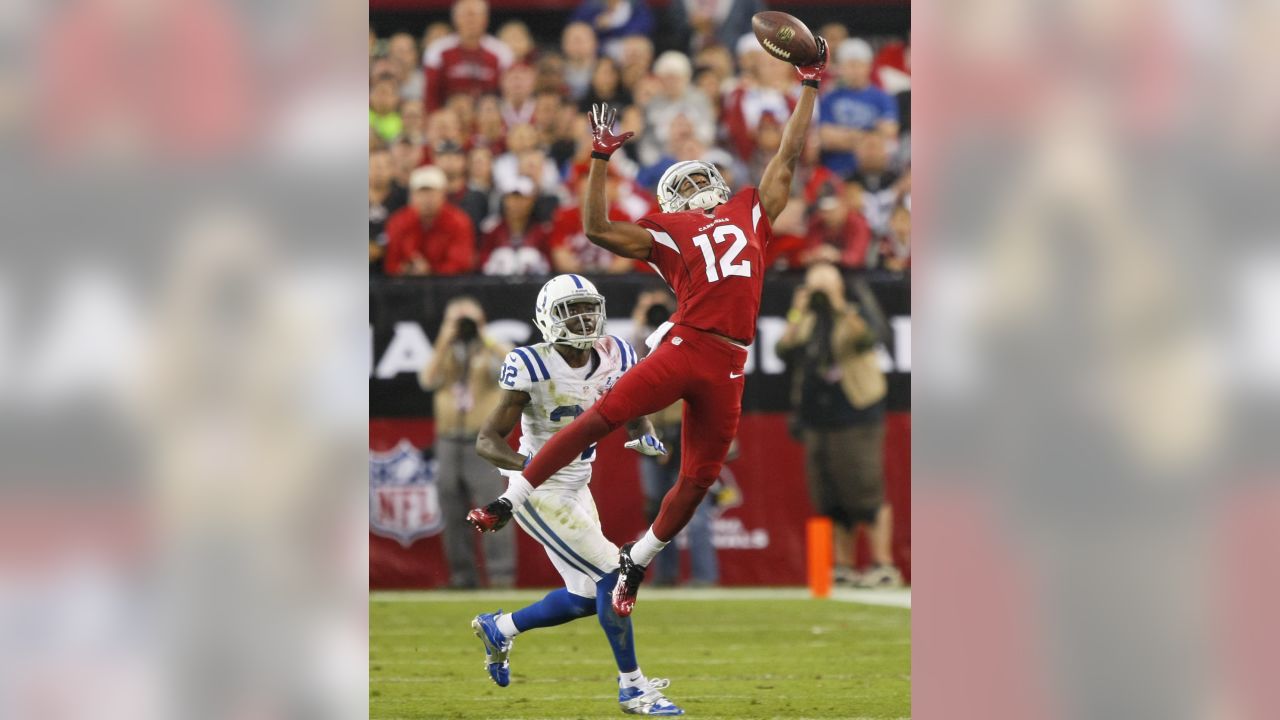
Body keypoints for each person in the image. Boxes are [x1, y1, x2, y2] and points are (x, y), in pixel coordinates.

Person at [467, 37, 832, 616]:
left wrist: (810, 84)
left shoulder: (747, 208)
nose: (690, 190)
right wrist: (601, 158)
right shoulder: (687, 224)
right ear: (671, 200)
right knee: (600, 419)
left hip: (727, 361)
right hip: (687, 344)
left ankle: (634, 563)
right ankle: (509, 503)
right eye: (680, 186)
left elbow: (788, 152)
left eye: (694, 181)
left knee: (696, 480)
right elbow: (596, 229)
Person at [469, 274, 683, 716]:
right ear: (548, 318)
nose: (584, 318)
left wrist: (642, 432)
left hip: (578, 483)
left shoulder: (616, 353)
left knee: (587, 597)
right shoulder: (531, 363)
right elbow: (487, 440)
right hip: (538, 491)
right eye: (571, 310)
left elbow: (630, 403)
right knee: (614, 575)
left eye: (589, 307)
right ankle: (634, 688)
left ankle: (501, 627)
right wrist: (529, 471)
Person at [776, 263, 901, 588]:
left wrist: (839, 304)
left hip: (857, 414)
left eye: (824, 286)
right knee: (830, 494)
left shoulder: (854, 313)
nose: (818, 292)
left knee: (865, 488)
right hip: (818, 418)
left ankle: (883, 564)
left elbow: (866, 339)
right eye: (813, 285)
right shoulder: (806, 319)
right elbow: (783, 349)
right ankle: (844, 565)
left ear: (839, 286)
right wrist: (797, 311)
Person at [420, 297, 515, 588]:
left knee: (493, 508)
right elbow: (427, 380)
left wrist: (484, 337)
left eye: (468, 320)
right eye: (457, 320)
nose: (463, 326)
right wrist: (445, 339)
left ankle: (501, 576)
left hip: (482, 442)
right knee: (451, 508)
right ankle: (462, 576)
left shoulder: (489, 350)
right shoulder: (444, 354)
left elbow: (514, 364)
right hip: (448, 440)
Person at [630, 289, 718, 587]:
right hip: (653, 431)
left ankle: (704, 576)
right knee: (655, 508)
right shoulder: (640, 345)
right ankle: (664, 575)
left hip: (685, 429)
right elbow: (628, 368)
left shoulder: (687, 339)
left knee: (697, 508)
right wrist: (640, 325)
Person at [817, 39, 900, 178]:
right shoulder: (830, 98)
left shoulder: (882, 97)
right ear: (841, 68)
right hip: (836, 170)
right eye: (850, 65)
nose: (855, 70)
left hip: (872, 169)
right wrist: (868, 138)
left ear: (868, 67)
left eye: (859, 65)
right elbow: (826, 138)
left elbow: (890, 132)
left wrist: (845, 137)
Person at [422, 0, 513, 112]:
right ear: (455, 19)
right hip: (450, 117)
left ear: (485, 19)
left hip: (489, 118)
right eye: (465, 15)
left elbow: (509, 94)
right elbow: (431, 94)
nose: (470, 20)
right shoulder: (438, 50)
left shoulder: (501, 51)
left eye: (475, 15)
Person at [383, 166, 476, 276]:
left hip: (448, 287)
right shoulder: (398, 222)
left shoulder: (459, 221)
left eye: (432, 193)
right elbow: (391, 263)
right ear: (412, 196)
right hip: (405, 286)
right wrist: (405, 269)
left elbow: (461, 263)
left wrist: (431, 270)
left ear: (443, 194)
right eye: (421, 193)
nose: (427, 199)